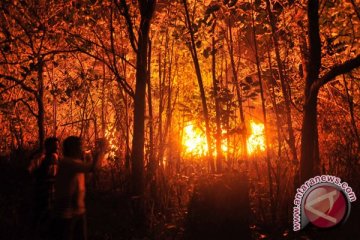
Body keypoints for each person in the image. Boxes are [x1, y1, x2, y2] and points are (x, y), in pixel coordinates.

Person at [53, 136, 105, 240]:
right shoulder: (67, 162)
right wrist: (101, 151)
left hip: (78, 210)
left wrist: (91, 159)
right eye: (80, 146)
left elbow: (86, 181)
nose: (82, 148)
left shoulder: (77, 163)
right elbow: (94, 168)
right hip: (66, 212)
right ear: (72, 148)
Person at [28, 137, 60, 228]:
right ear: (48, 147)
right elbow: (29, 171)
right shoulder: (40, 157)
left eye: (57, 146)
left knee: (50, 210)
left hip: (53, 189)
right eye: (54, 146)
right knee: (41, 210)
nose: (57, 148)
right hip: (42, 189)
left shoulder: (56, 157)